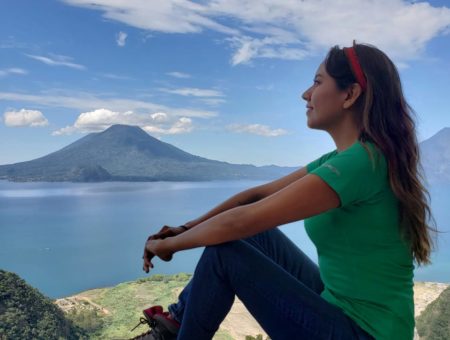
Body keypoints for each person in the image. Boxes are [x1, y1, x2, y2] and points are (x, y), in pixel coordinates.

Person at [139, 42, 436, 340]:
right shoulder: (351, 159)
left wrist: (167, 247)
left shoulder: (361, 163)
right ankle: (176, 322)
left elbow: (238, 222)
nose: (306, 94)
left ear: (350, 94)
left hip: (363, 334)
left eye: (318, 82)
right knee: (253, 235)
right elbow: (255, 197)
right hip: (339, 309)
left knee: (227, 253)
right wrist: (184, 228)